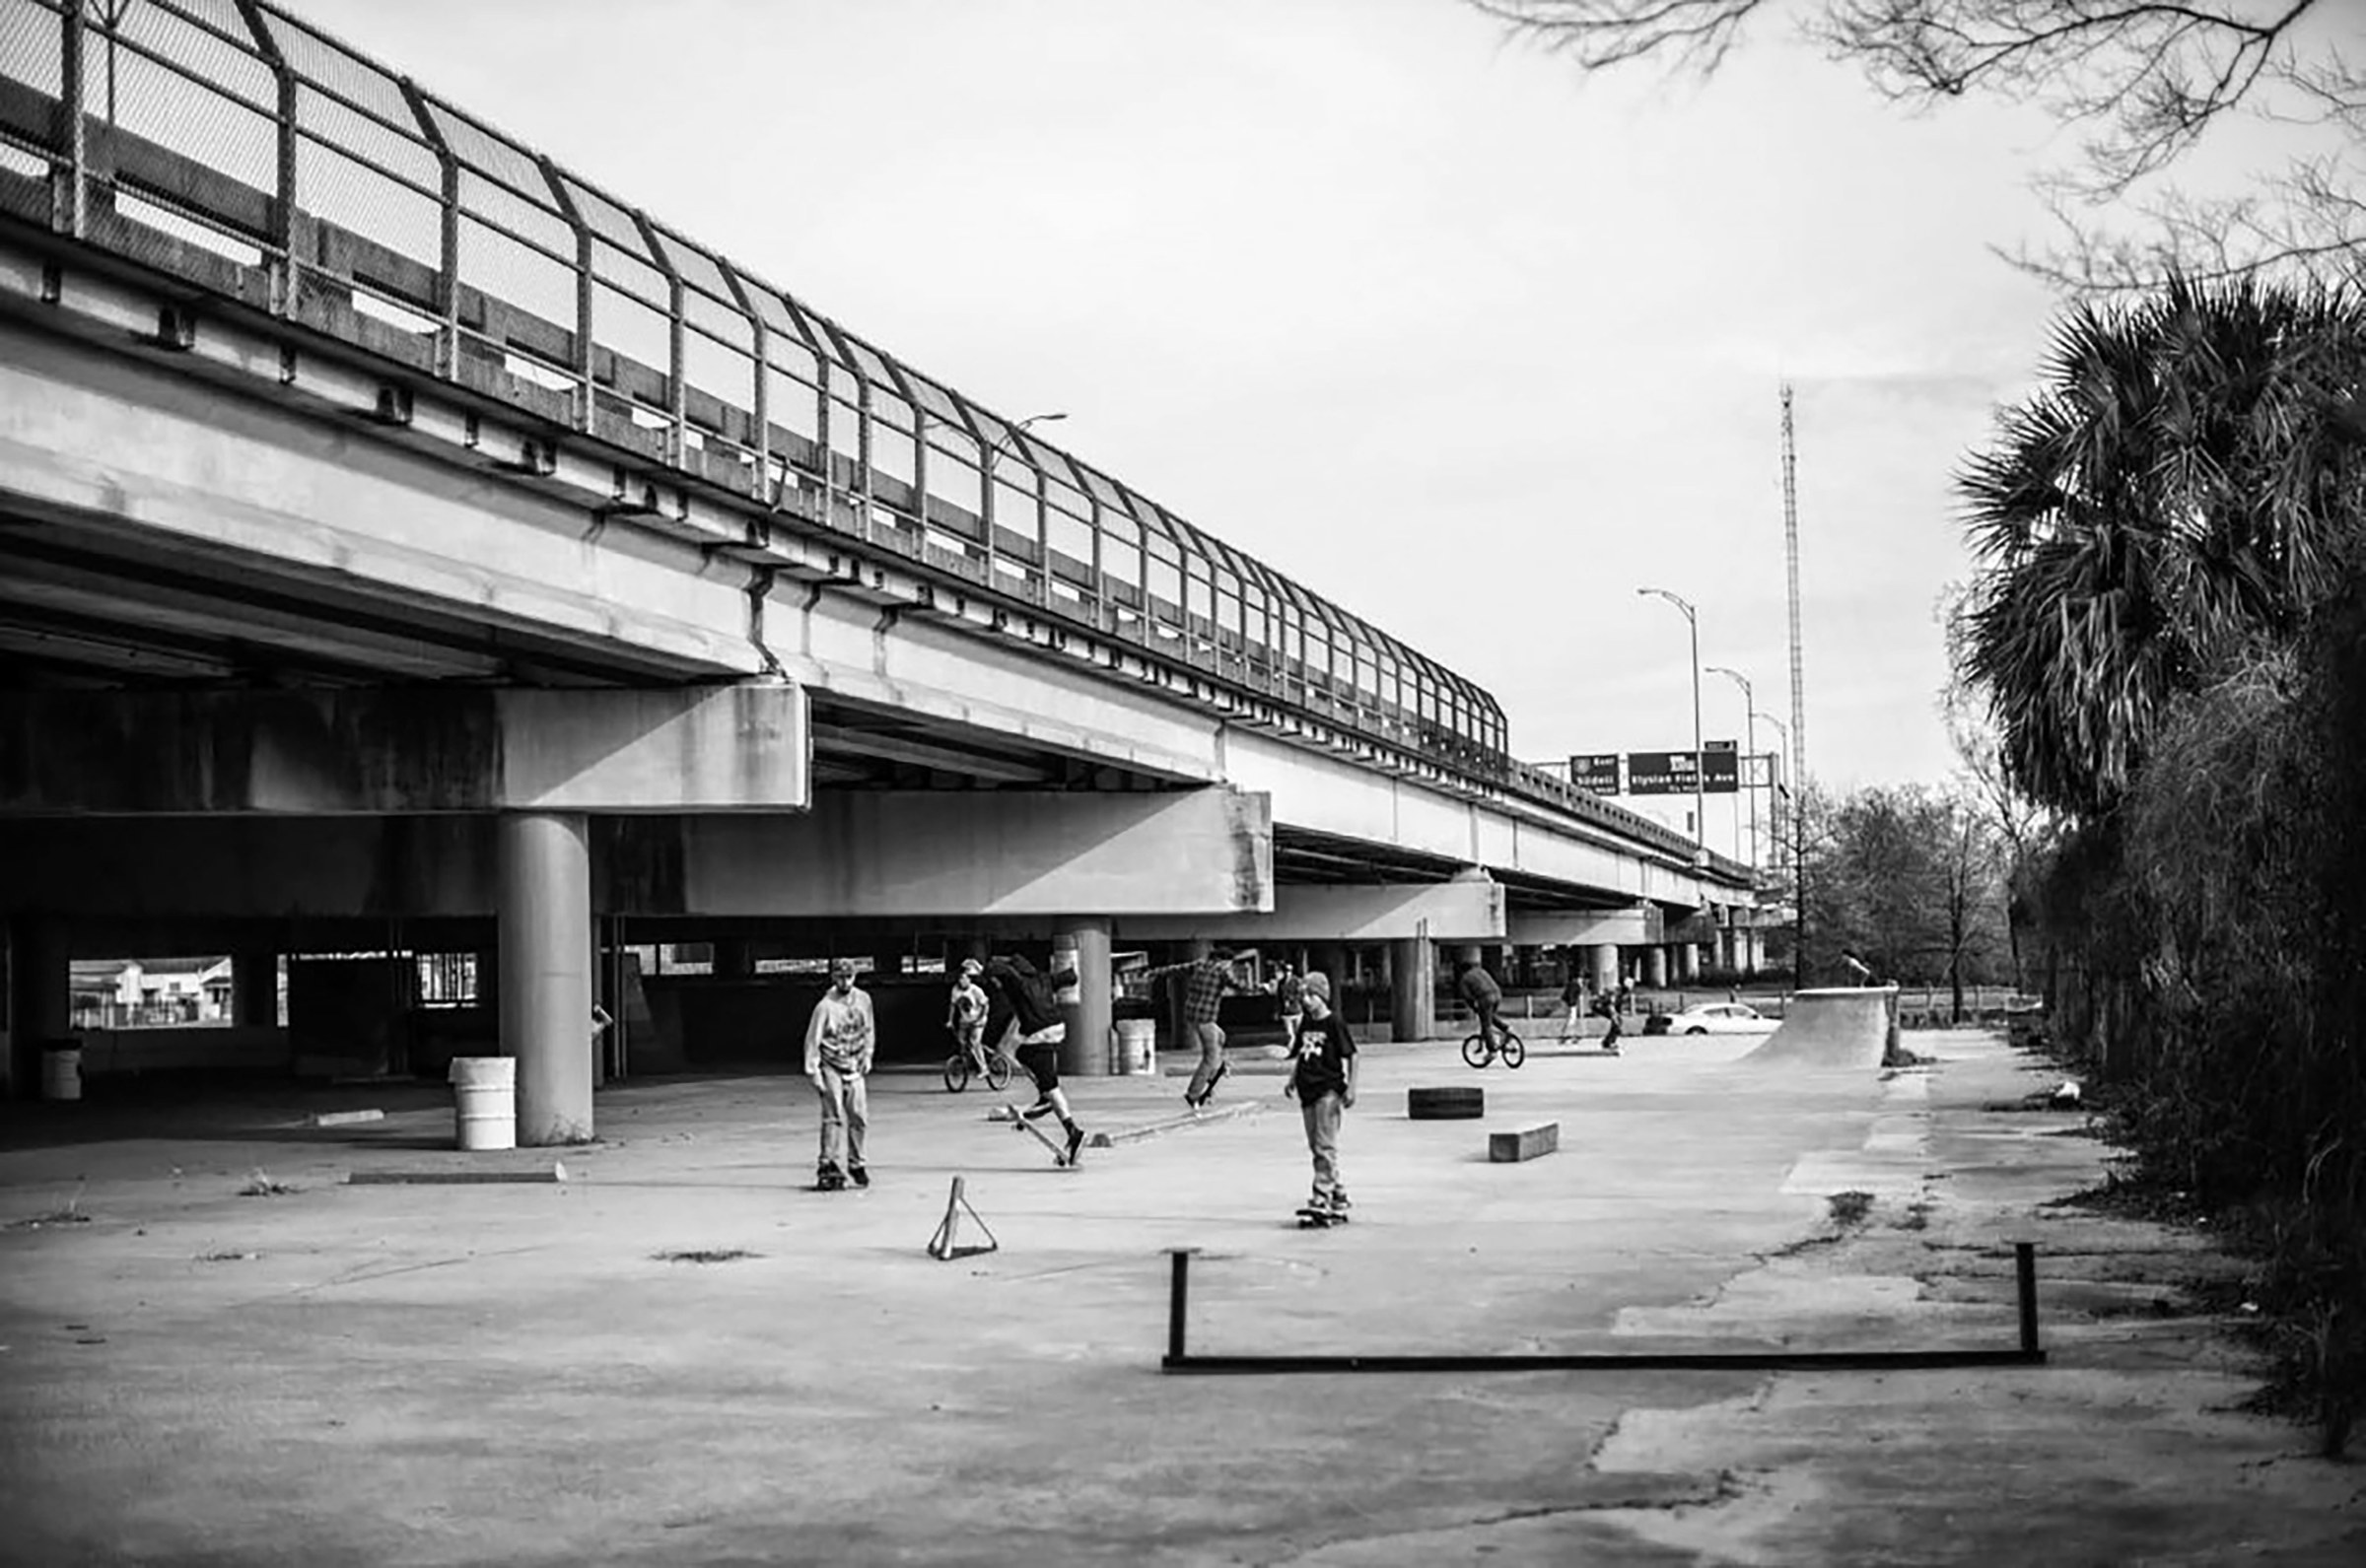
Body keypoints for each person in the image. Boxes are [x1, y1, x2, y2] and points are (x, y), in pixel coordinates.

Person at [981, 952, 1088, 1167]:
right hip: (1057, 1027)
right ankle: (1054, 1108)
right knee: (1041, 1072)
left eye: (997, 983)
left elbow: (996, 969)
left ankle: (1059, 1115)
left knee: (1027, 1058)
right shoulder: (1044, 978)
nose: (998, 986)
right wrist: (1071, 973)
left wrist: (986, 967)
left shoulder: (1015, 981)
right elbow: (1070, 977)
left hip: (1040, 1031)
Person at [1134, 948, 1248, 1109]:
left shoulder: (1199, 965)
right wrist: (1260, 987)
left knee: (1220, 1036)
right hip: (1206, 1019)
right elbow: (1239, 986)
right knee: (1209, 1057)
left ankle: (1214, 1071)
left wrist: (1152, 972)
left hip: (1192, 1015)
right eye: (1229, 963)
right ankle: (1193, 1093)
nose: (1229, 966)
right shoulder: (1222, 971)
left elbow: (1174, 969)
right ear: (1223, 961)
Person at [1284, 970, 1357, 1218]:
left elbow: (1352, 1055)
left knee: (1325, 1145)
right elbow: (1302, 1055)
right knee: (1316, 1146)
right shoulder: (1306, 1022)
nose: (1305, 1000)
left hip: (1328, 1090)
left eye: (1310, 995)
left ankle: (1321, 1194)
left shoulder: (1334, 1023)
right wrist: (1292, 1080)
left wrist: (1352, 1088)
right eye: (1303, 995)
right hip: (1307, 1090)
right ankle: (1338, 1193)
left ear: (1322, 996)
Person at [803, 958, 874, 1190]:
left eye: (849, 977)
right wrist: (813, 1072)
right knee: (833, 1116)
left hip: (854, 1063)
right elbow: (813, 1040)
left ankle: (857, 1162)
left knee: (859, 1117)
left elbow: (869, 1028)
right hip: (831, 1064)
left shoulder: (863, 1000)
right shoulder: (825, 1006)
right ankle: (828, 1162)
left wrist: (868, 1054)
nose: (845, 982)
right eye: (841, 977)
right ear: (834, 978)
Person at [945, 957, 992, 1081]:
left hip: (978, 1021)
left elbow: (985, 1006)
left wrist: (979, 1019)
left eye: (964, 979)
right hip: (965, 1020)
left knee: (974, 1043)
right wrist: (950, 1020)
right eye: (960, 979)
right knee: (961, 1042)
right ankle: (967, 1061)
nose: (962, 981)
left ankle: (984, 1068)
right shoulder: (955, 990)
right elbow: (953, 1006)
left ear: (969, 980)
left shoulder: (976, 990)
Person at [1454, 956, 1505, 1056]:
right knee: (1489, 1016)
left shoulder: (1465, 978)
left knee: (1486, 1025)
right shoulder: (1481, 971)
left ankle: (1492, 1050)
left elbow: (1467, 996)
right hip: (1497, 994)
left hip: (1485, 998)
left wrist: (1473, 1007)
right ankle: (1506, 1028)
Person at [1272, 962, 1306, 1053]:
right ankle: (1292, 1047)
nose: (1287, 973)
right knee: (1290, 1033)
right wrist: (1277, 1011)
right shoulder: (1281, 983)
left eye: (1289, 971)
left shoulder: (1297, 981)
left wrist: (1292, 999)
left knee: (1298, 1031)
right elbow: (1278, 997)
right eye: (1285, 970)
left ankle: (1297, 1046)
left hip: (1296, 1010)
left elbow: (1300, 994)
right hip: (1286, 1012)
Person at [1559, 971, 1589, 1043]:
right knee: (1571, 1019)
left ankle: (1569, 1034)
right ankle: (1566, 1034)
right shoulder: (1575, 985)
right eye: (1581, 978)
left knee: (1572, 1019)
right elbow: (1571, 995)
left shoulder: (1574, 984)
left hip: (1568, 1002)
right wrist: (1572, 1005)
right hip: (1570, 1003)